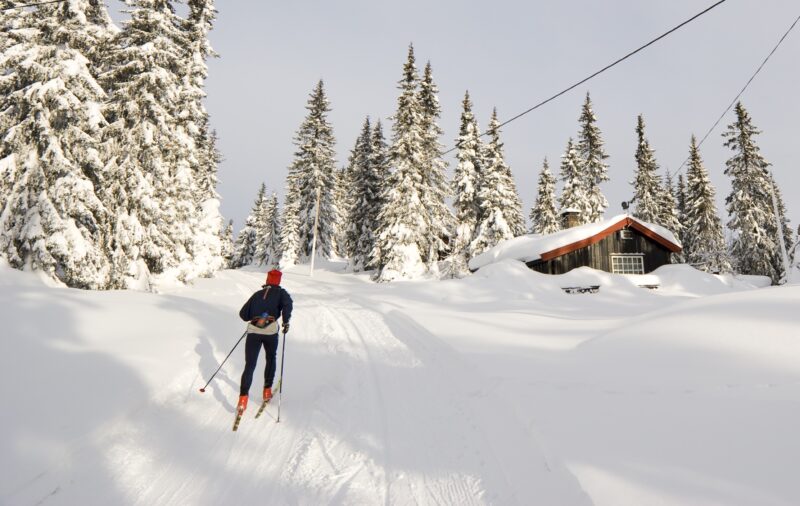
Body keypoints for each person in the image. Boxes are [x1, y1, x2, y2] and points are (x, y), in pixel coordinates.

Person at [236, 269, 293, 414]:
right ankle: (267, 390)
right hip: (270, 331)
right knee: (270, 358)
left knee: (250, 364)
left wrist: (256, 316)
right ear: (278, 281)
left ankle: (243, 399)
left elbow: (243, 314)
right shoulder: (282, 293)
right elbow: (288, 304)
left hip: (254, 331)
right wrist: (286, 321)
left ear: (267, 280)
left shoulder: (257, 294)